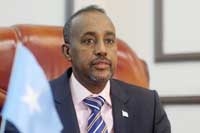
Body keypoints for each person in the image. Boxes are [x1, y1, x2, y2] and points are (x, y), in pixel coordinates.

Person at [5, 5, 170, 133]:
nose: (102, 49)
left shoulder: (148, 106)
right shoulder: (31, 106)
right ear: (68, 52)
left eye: (109, 40)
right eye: (89, 41)